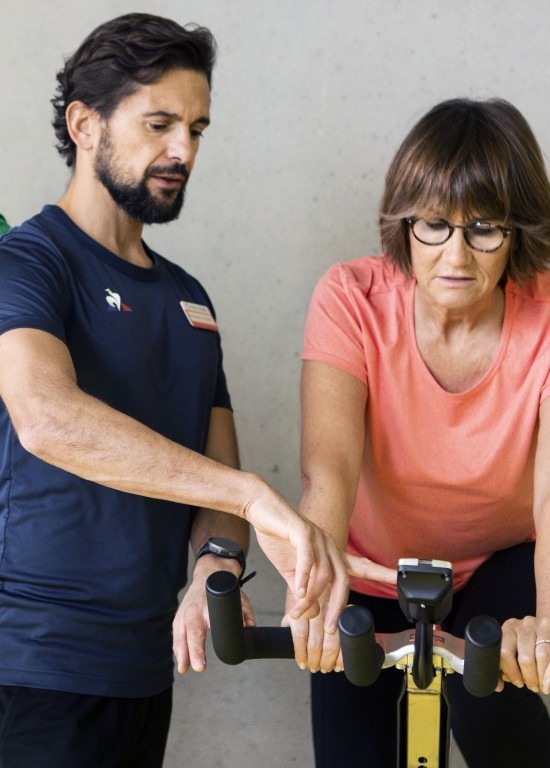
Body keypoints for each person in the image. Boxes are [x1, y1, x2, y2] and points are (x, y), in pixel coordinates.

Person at [0, 13, 353, 768]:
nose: (183, 151)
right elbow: (45, 419)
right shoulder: (28, 263)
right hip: (33, 671)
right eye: (159, 123)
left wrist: (215, 565)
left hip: (145, 673)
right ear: (84, 123)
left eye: (197, 128)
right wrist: (257, 498)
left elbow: (213, 483)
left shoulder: (192, 301)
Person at [287, 98, 550, 767]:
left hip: (500, 566)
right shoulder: (351, 298)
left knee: (494, 712)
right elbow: (329, 471)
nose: (455, 254)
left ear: (518, 231)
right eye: (435, 225)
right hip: (372, 571)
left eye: (484, 228)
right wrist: (315, 582)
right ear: (405, 224)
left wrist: (546, 629)